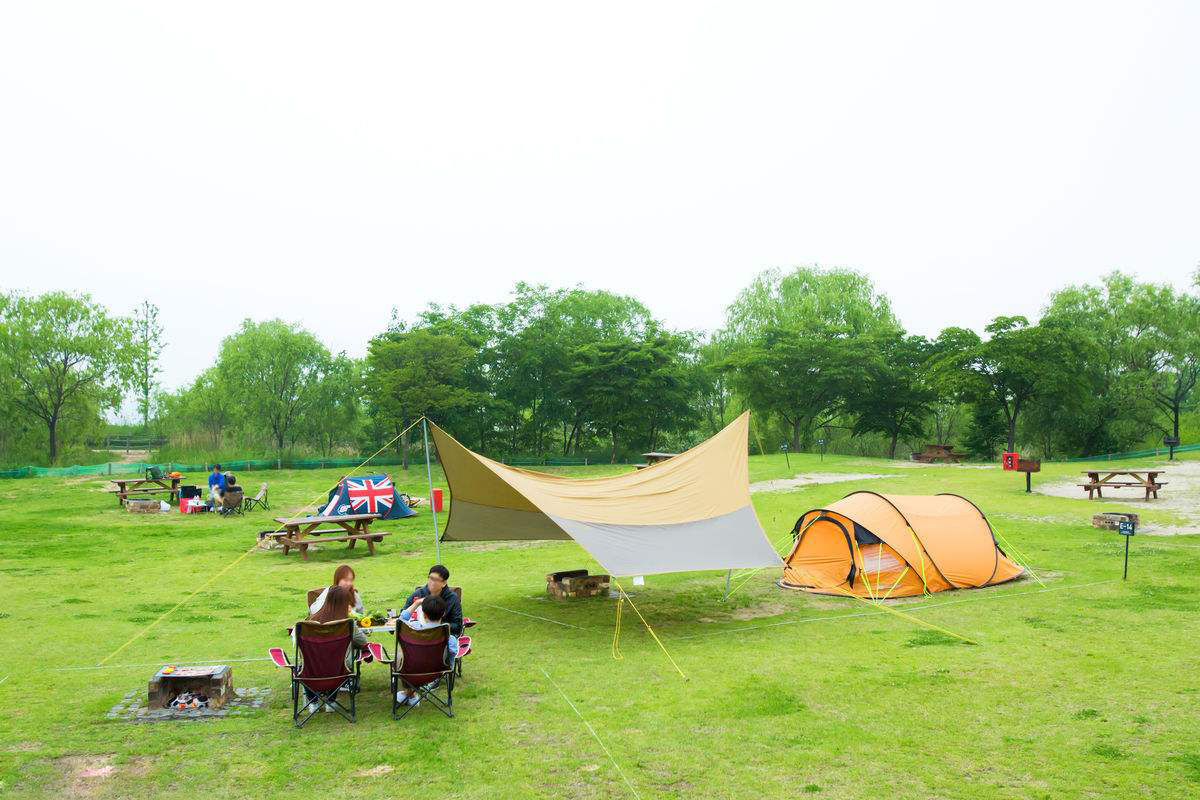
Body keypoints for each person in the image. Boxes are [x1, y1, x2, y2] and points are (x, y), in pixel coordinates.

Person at [296, 584, 367, 712]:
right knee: (338, 661)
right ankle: (331, 700)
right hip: (339, 671)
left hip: (311, 672)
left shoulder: (307, 624)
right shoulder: (347, 624)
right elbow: (363, 642)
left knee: (306, 663)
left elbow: (297, 646)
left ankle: (313, 701)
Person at [395, 593, 459, 707]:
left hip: (409, 671)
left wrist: (416, 603)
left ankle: (409, 695)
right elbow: (452, 654)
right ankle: (410, 695)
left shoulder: (412, 629)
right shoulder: (448, 637)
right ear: (443, 614)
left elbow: (400, 620)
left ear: (423, 614)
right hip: (437, 673)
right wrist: (449, 667)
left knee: (401, 657)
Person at [404, 564, 463, 636]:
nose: (432, 582)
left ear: (444, 583)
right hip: (419, 635)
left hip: (444, 636)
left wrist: (436, 625)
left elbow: (457, 626)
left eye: (436, 580)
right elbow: (403, 616)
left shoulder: (452, 598)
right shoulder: (418, 594)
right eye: (431, 578)